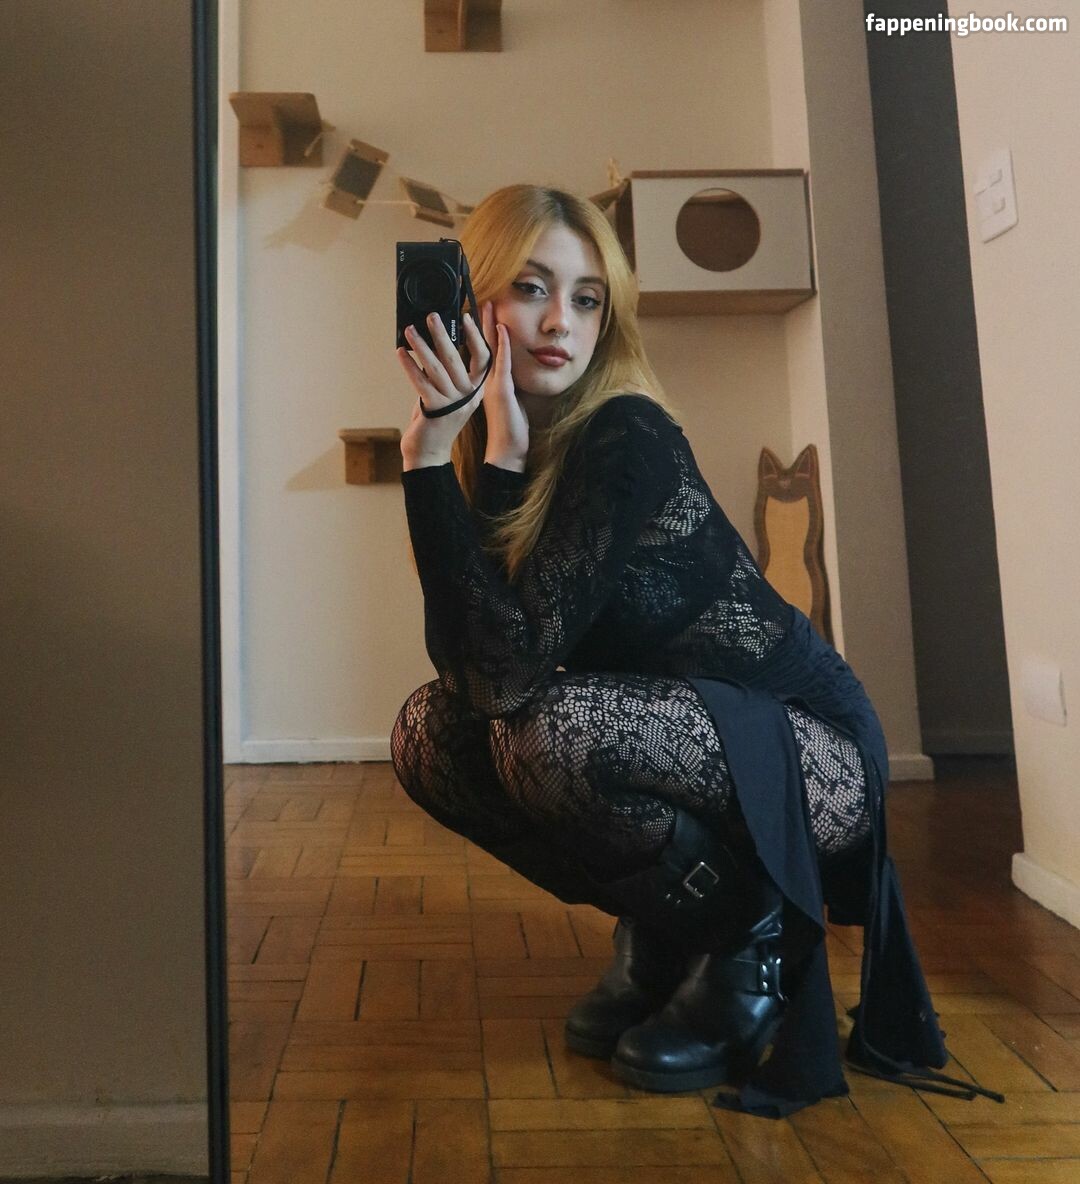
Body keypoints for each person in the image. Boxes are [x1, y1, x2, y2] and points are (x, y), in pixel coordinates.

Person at [389, 183, 1000, 1117]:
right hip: (688, 738)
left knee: (554, 732)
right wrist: (449, 453)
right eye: (532, 288)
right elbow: (478, 676)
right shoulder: (516, 446)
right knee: (432, 736)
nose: (560, 322)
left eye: (587, 298)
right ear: (473, 300)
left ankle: (745, 939)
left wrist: (449, 458)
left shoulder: (626, 433)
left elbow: (513, 684)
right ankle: (668, 926)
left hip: (804, 746)